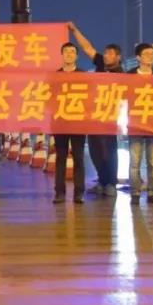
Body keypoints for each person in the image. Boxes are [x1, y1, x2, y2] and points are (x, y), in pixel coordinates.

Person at [67, 23, 120, 198]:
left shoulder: (122, 74)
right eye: (105, 53)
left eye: (110, 53)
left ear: (118, 57)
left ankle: (111, 183)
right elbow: (87, 48)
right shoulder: (100, 64)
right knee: (95, 151)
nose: (106, 56)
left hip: (110, 117)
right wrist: (75, 31)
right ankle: (101, 181)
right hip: (94, 115)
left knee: (109, 151)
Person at [128, 42, 153, 206]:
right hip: (135, 124)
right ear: (138, 57)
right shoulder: (129, 76)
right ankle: (135, 193)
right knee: (135, 162)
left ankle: (152, 193)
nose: (150, 57)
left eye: (152, 54)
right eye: (146, 54)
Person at [52, 40, 86, 204]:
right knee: (61, 158)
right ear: (62, 55)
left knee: (78, 157)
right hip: (60, 122)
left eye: (72, 52)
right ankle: (59, 193)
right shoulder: (54, 77)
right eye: (66, 52)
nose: (69, 54)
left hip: (78, 123)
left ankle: (79, 193)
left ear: (77, 56)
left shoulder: (83, 76)